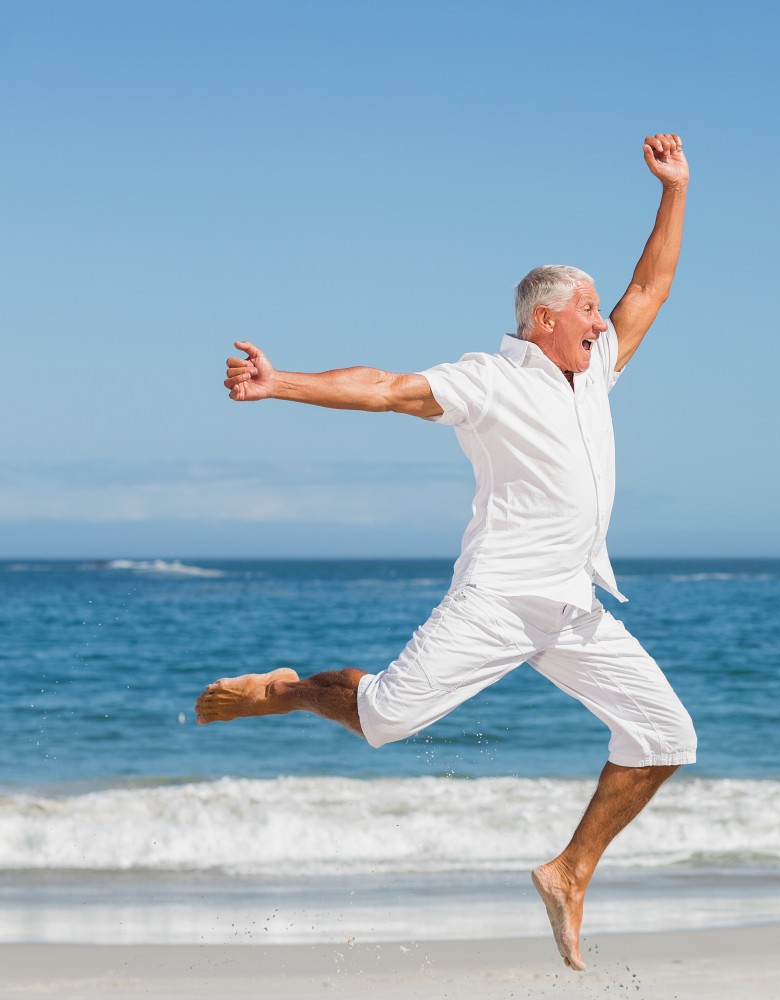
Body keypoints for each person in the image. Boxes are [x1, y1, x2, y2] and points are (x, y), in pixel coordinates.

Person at [195, 134, 695, 973]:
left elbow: (652, 285)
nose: (602, 322)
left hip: (572, 602)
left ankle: (569, 872)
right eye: (586, 311)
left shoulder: (595, 370)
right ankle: (283, 689)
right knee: (385, 719)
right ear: (544, 320)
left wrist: (674, 191)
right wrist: (283, 383)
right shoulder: (489, 380)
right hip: (499, 597)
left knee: (664, 735)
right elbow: (388, 388)